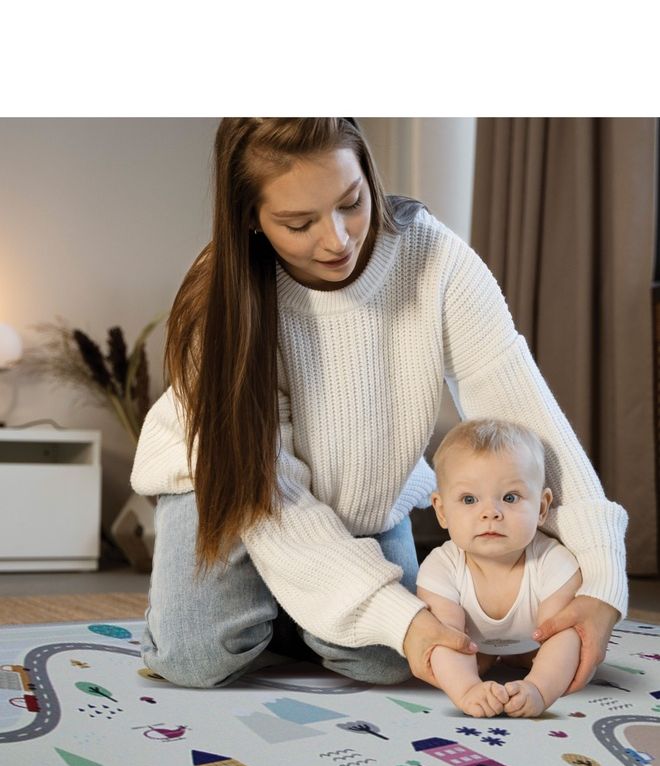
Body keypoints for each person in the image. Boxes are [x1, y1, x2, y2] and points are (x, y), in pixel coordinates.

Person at [130, 117, 628, 691]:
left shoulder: (434, 259)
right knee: (198, 659)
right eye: (298, 223)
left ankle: (296, 601)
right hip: (232, 488)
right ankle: (277, 597)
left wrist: (602, 582)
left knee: (388, 663)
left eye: (351, 203)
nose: (337, 240)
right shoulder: (216, 300)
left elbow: (527, 423)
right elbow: (272, 493)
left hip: (363, 494)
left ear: (368, 173)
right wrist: (396, 617)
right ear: (251, 218)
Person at [417, 418, 583, 718]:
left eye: (510, 498)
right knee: (444, 641)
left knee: (569, 637)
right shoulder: (440, 569)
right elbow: (447, 636)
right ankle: (471, 683)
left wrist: (538, 687)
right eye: (469, 499)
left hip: (535, 646)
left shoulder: (554, 563)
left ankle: (536, 681)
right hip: (473, 648)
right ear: (442, 511)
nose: (490, 513)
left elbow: (557, 634)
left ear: (542, 508)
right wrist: (467, 689)